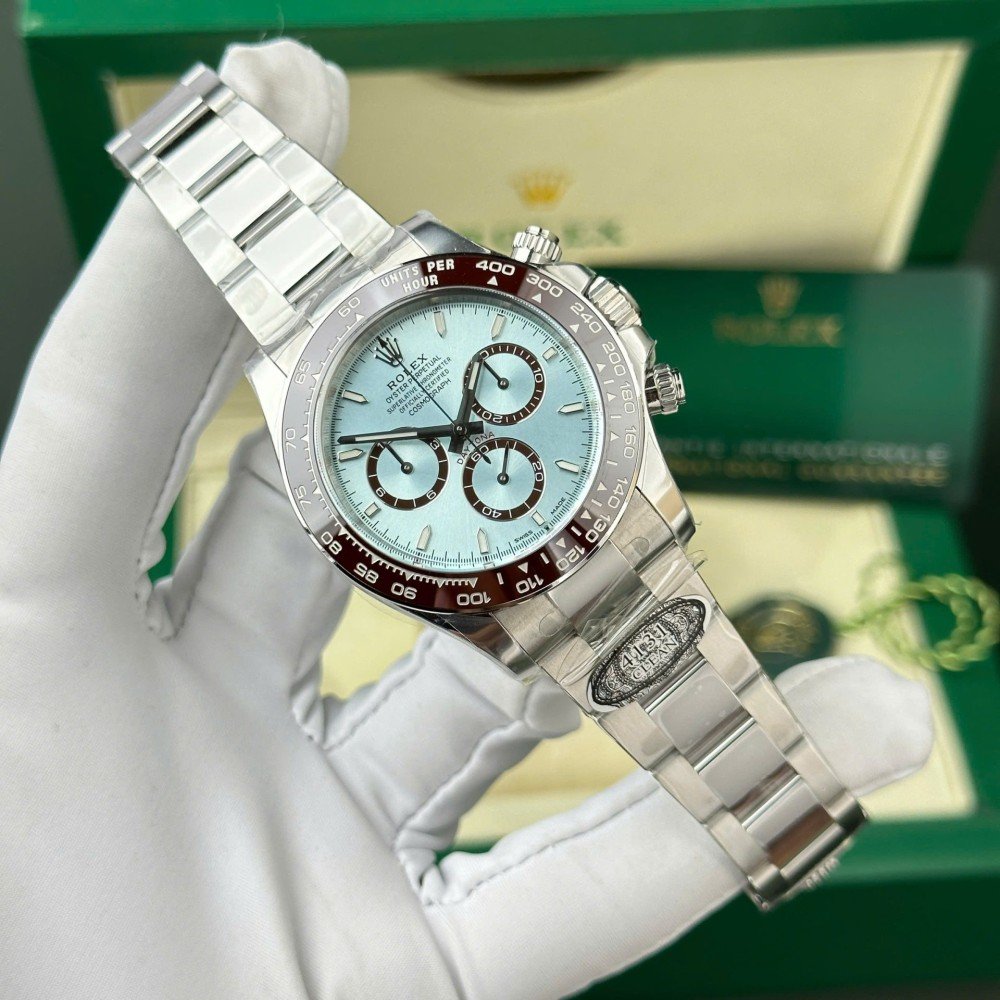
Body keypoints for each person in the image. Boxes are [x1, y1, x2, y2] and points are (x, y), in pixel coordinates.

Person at [0, 40, 933, 1000]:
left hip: (581, 518)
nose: (456, 432)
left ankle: (789, 812)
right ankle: (787, 816)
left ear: (613, 357)